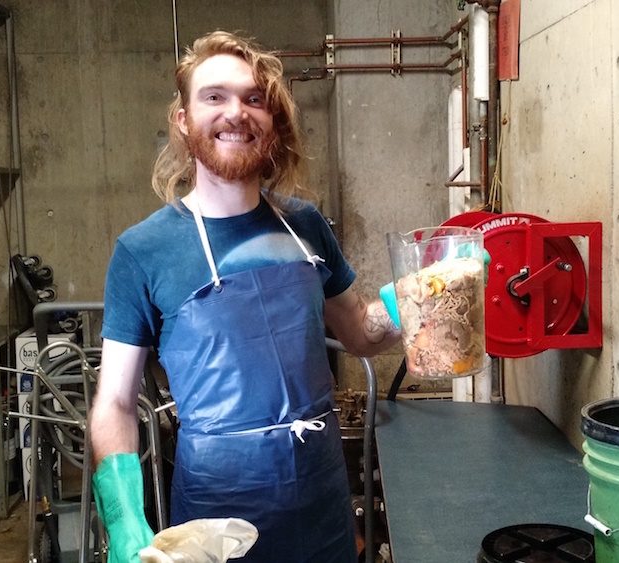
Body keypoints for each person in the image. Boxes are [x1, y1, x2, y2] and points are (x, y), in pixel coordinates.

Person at [89, 30, 401, 563]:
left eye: (254, 99)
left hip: (321, 502)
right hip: (215, 516)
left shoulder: (305, 224)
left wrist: (418, 300)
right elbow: (115, 402)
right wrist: (122, 516)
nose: (237, 112)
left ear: (272, 122)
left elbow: (359, 334)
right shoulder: (144, 250)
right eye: (215, 96)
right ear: (184, 120)